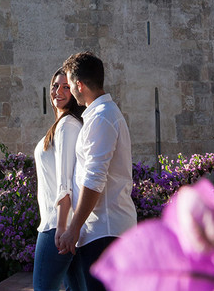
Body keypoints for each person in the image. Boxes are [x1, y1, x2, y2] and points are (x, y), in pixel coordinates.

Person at [57, 51, 137, 291]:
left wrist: (73, 228)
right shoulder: (99, 115)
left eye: (70, 84)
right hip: (100, 231)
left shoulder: (102, 118)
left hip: (106, 230)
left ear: (80, 85)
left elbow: (94, 179)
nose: (69, 90)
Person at [33, 70, 86, 291]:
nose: (58, 91)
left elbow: (66, 182)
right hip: (65, 225)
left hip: (57, 225)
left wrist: (62, 227)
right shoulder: (63, 124)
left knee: (43, 288)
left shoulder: (67, 126)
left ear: (74, 92)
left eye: (66, 87)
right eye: (55, 86)